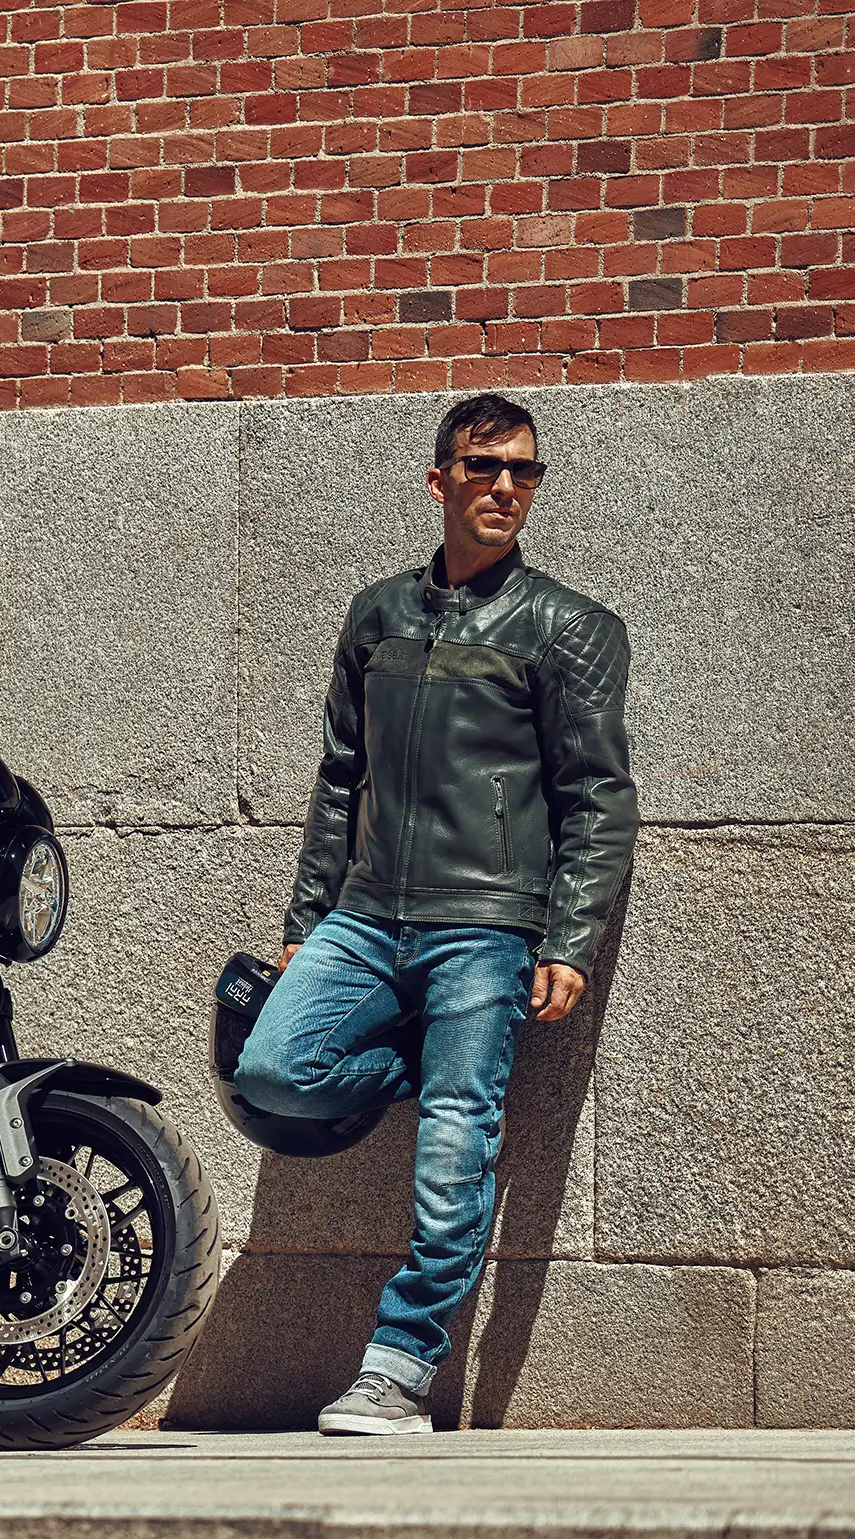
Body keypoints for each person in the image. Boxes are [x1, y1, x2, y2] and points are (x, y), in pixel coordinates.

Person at [232, 392, 639, 1435]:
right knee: (275, 1067)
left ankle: (397, 1369)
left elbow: (598, 796)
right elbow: (339, 776)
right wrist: (307, 914)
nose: (507, 487)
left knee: (456, 1142)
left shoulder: (570, 627)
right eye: (484, 467)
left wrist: (569, 941)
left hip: (486, 924)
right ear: (439, 480)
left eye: (525, 472)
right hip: (366, 916)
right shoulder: (376, 616)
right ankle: (461, 1072)